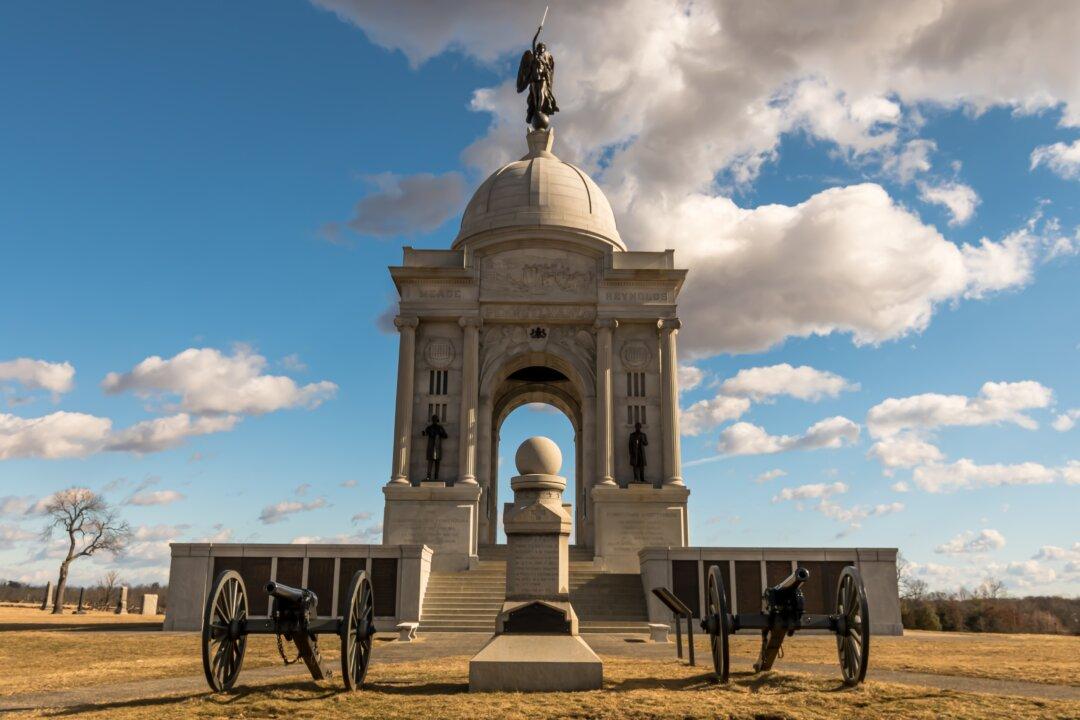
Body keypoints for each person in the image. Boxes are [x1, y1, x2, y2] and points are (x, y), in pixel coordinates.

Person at [421, 414, 448, 482]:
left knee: (437, 461)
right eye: (433, 419)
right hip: (431, 446)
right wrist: (423, 433)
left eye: (435, 419)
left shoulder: (440, 428)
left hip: (437, 446)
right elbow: (425, 433)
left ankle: (436, 476)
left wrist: (441, 433)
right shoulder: (429, 428)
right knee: (430, 460)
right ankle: (428, 476)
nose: (434, 420)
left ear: (437, 420)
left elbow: (445, 436)